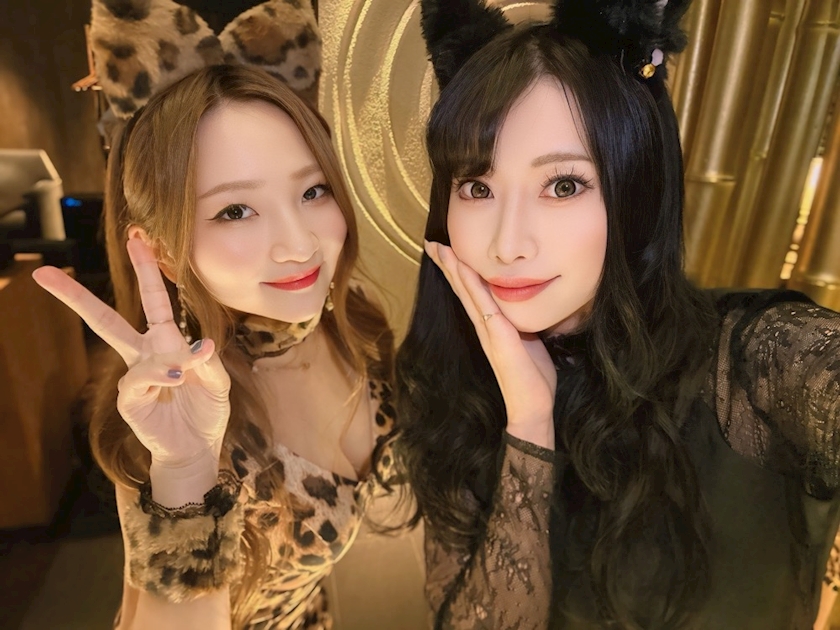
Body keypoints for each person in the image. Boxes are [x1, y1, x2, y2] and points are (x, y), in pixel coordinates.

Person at [393, 1, 840, 628]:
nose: (507, 243)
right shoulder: (454, 384)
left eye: (563, 185)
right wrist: (529, 423)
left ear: (637, 188)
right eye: (477, 187)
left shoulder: (761, 362)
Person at [33, 64, 396, 630]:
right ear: (163, 253)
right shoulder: (166, 415)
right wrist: (184, 472)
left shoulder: (356, 323)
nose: (299, 244)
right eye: (235, 211)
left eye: (313, 190)